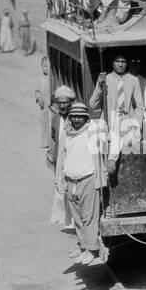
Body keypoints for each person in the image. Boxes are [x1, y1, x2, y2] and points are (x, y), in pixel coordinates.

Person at [57, 101, 109, 266]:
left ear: (86, 118)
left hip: (88, 178)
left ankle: (91, 250)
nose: (77, 120)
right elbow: (61, 158)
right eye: (74, 116)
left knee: (88, 217)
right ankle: (82, 246)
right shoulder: (67, 133)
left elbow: (103, 141)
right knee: (77, 217)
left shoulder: (92, 132)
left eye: (80, 116)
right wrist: (61, 180)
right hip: (71, 180)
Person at [90, 52, 144, 169]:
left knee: (129, 154)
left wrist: (137, 124)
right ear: (112, 63)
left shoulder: (133, 80)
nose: (120, 64)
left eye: (123, 62)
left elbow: (139, 106)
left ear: (126, 64)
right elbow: (93, 104)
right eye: (117, 61)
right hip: (110, 120)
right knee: (107, 152)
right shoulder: (106, 79)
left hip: (127, 119)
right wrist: (99, 85)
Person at [48, 85, 76, 227]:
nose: (63, 105)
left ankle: (74, 220)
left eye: (66, 102)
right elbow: (54, 137)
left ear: (71, 102)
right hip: (61, 158)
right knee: (61, 186)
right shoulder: (56, 119)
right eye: (60, 103)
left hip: (73, 158)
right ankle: (66, 218)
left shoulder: (76, 117)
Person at [35, 56, 53, 149]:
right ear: (42, 67)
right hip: (43, 104)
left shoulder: (52, 79)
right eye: (45, 66)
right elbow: (37, 90)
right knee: (44, 123)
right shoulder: (41, 79)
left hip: (50, 103)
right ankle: (45, 142)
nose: (46, 68)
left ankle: (51, 142)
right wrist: (38, 98)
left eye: (48, 66)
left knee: (51, 122)